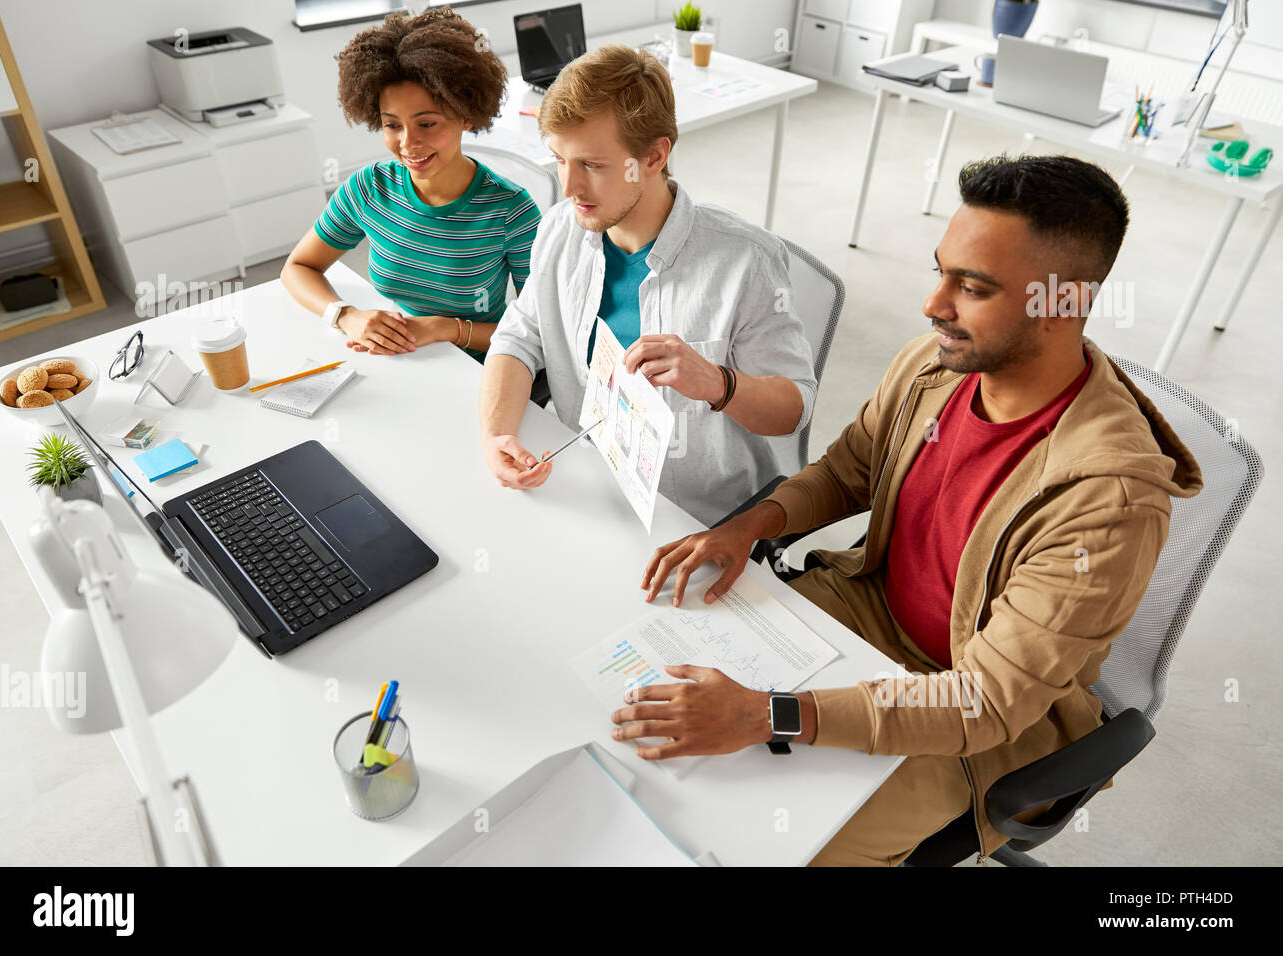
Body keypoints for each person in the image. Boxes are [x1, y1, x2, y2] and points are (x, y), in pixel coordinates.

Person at [621, 154, 1203, 865]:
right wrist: (749, 526)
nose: (934, 304)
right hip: (865, 606)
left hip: (972, 716)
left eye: (973, 286)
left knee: (778, 847)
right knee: (655, 693)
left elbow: (984, 702)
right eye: (942, 270)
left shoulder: (1110, 501)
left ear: (1061, 303)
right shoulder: (933, 367)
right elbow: (847, 472)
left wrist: (766, 714)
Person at [480, 45, 816, 527]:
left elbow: (794, 409)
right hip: (588, 485)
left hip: (696, 518)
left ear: (654, 156)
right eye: (559, 160)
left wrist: (717, 383)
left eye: (592, 165)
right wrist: (496, 435)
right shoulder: (560, 229)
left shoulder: (746, 261)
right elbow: (521, 334)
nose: (569, 187)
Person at [281, 7, 541, 361]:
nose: (407, 143)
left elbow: (539, 332)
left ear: (465, 115)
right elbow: (298, 268)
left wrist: (443, 328)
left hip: (476, 371)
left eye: (427, 124)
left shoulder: (511, 210)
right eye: (392, 125)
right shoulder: (368, 189)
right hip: (397, 361)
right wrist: (345, 315)